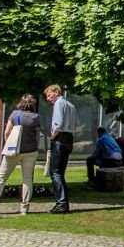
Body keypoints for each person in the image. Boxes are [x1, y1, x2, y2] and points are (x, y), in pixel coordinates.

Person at [0, 93, 41, 215]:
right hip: (30, 151)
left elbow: (7, 132)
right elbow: (37, 134)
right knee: (27, 180)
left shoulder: (15, 114)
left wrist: (8, 145)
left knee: (1, 178)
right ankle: (24, 207)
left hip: (13, 150)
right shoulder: (36, 117)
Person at [45, 84, 77, 214]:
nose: (48, 99)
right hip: (69, 137)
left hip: (60, 138)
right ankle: (62, 202)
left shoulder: (59, 104)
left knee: (55, 173)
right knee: (60, 172)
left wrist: (52, 137)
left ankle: (61, 204)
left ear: (56, 92)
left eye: (49, 95)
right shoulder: (71, 105)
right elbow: (76, 123)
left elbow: (57, 124)